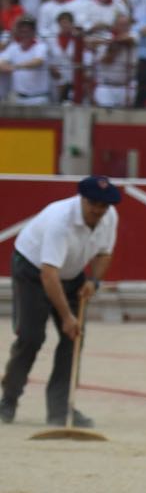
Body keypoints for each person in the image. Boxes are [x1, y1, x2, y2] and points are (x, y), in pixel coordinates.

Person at [2, 176, 120, 428]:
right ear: (82, 199)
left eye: (104, 205)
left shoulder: (109, 217)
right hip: (32, 271)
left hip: (71, 274)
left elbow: (104, 253)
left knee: (73, 338)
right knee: (31, 338)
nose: (98, 210)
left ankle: (60, 410)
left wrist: (94, 281)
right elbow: (49, 273)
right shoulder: (60, 220)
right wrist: (66, 316)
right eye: (94, 204)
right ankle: (8, 400)